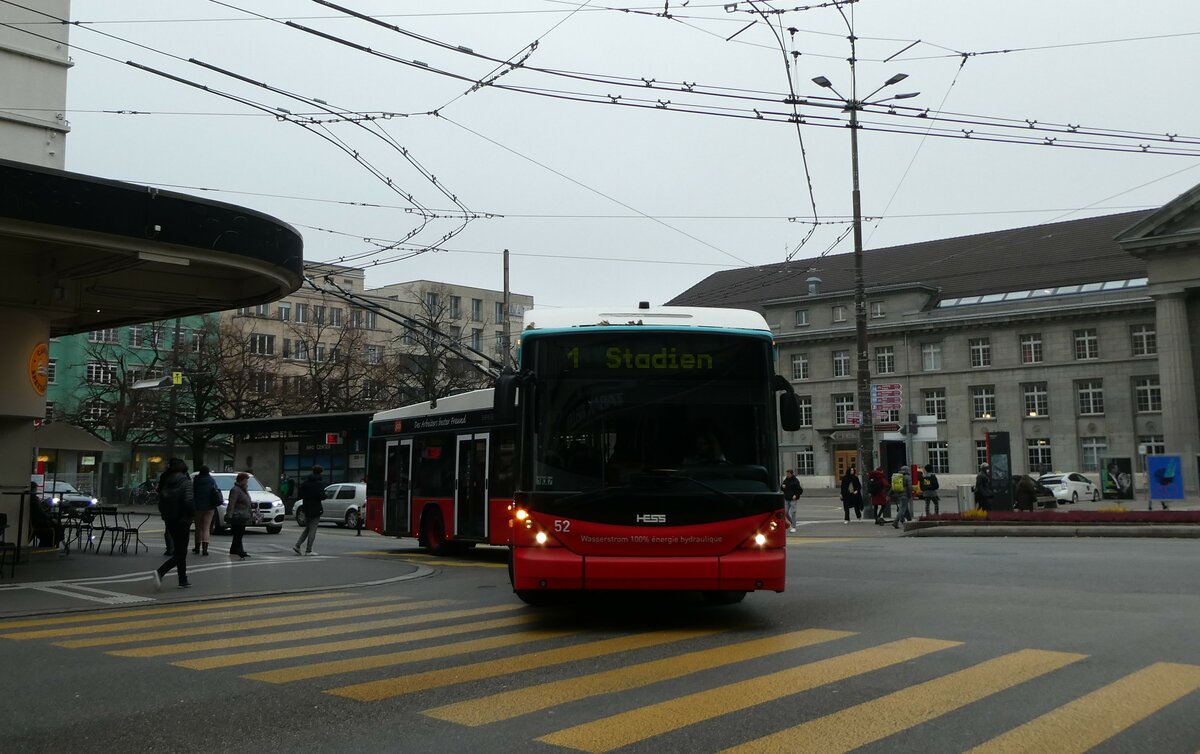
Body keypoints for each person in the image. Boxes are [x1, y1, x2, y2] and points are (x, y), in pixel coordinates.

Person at [152, 458, 194, 590]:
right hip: (182, 519)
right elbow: (188, 501)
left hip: (170, 519)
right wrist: (192, 514)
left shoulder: (167, 482)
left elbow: (161, 500)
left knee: (179, 549)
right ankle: (160, 572)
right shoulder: (186, 483)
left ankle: (183, 579)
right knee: (181, 552)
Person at [293, 465, 325, 556]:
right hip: (316, 509)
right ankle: (309, 550)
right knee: (312, 530)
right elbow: (322, 496)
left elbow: (300, 495)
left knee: (308, 528)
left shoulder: (305, 483)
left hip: (306, 508)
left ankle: (297, 545)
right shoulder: (319, 484)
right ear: (320, 473)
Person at [191, 465, 221, 556]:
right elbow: (216, 491)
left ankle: (197, 547)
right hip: (210, 506)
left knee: (198, 528)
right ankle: (205, 549)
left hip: (198, 506)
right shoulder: (211, 480)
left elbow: (193, 492)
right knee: (206, 528)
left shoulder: (196, 480)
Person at [226, 472, 253, 559]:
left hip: (243, 515)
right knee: (238, 533)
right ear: (241, 480)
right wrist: (229, 515)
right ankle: (238, 550)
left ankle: (235, 549)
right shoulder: (235, 490)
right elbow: (232, 503)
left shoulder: (243, 489)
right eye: (246, 480)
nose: (247, 482)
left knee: (239, 533)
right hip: (237, 515)